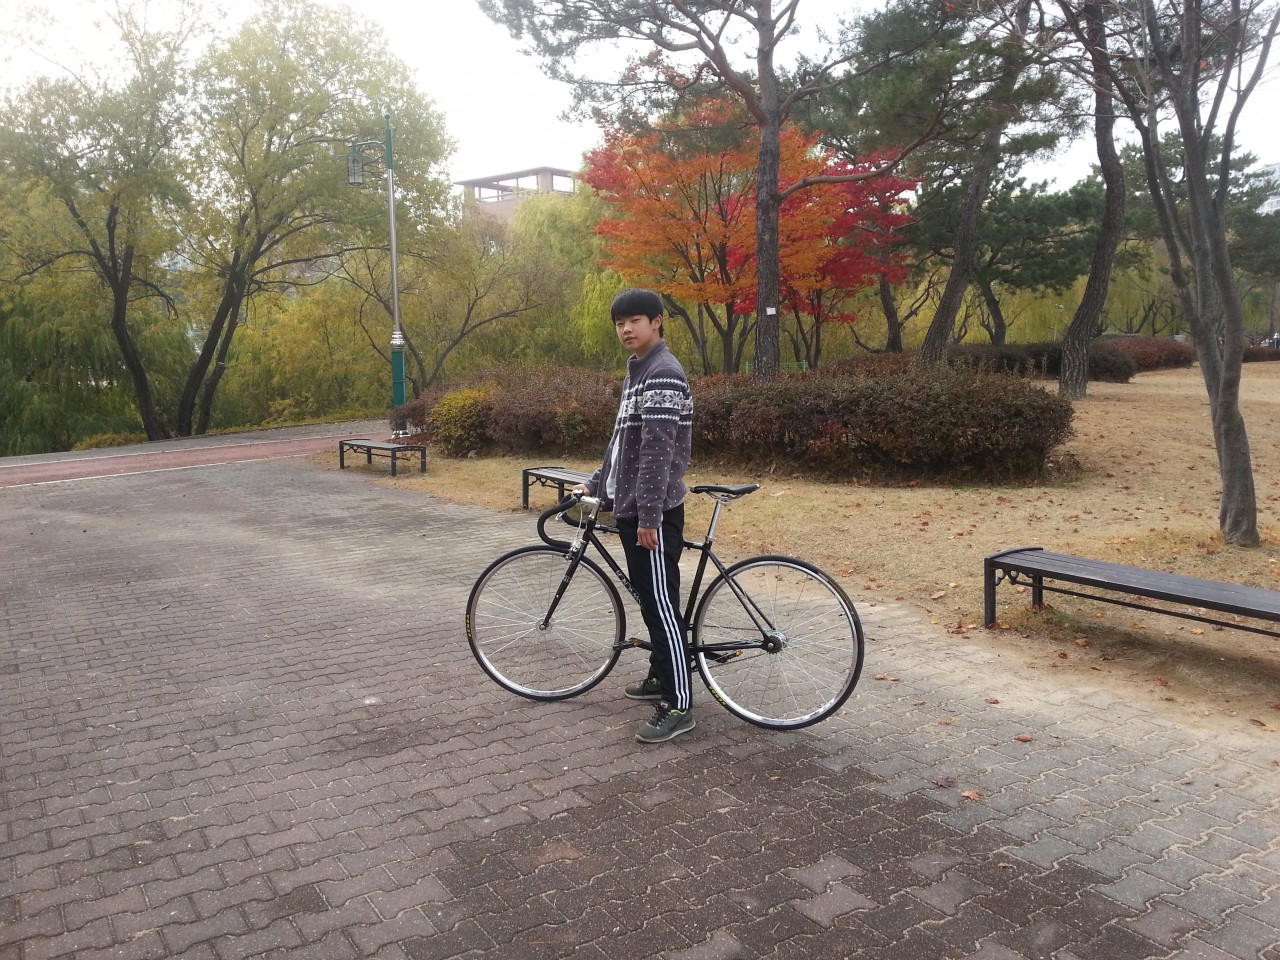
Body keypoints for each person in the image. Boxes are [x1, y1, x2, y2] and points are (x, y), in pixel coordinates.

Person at [575, 289, 695, 743]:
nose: (626, 329)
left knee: (661, 607)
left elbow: (656, 453)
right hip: (635, 509)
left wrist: (649, 517)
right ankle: (662, 676)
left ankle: (680, 704)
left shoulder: (663, 373)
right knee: (651, 600)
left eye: (635, 320)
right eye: (619, 323)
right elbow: (622, 443)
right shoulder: (638, 371)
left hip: (653, 514)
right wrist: (594, 482)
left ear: (657, 321)